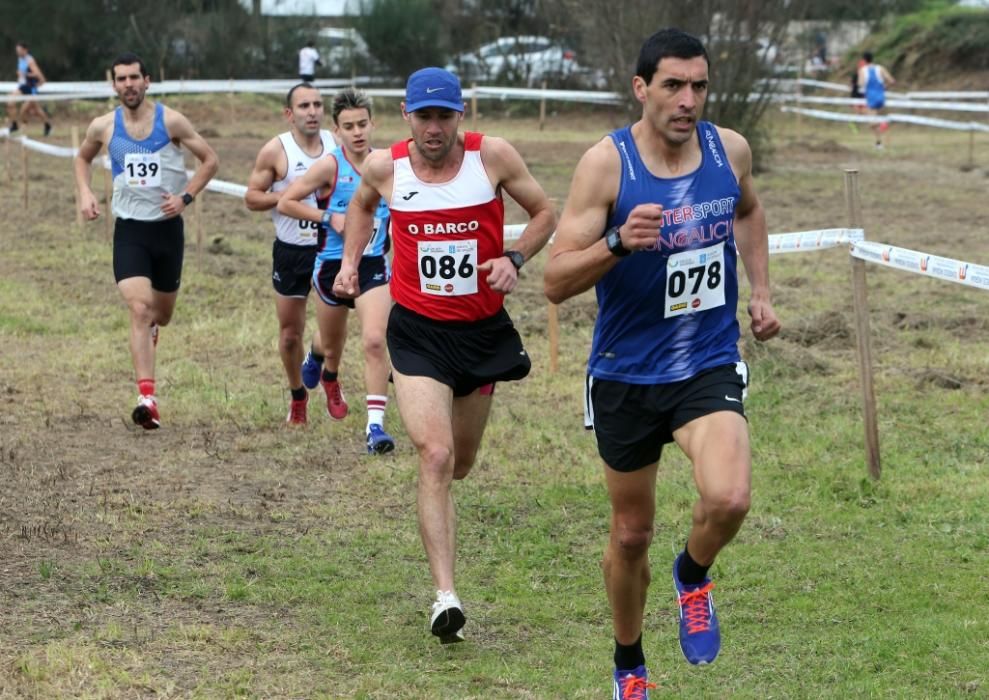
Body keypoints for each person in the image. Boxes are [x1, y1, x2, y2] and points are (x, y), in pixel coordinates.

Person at [543, 28, 780, 698]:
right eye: (672, 85)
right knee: (628, 534)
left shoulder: (726, 148)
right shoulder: (606, 165)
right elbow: (555, 282)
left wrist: (760, 292)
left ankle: (692, 573)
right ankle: (629, 664)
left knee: (729, 496)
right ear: (640, 87)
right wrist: (617, 242)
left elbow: (750, 212)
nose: (687, 100)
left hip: (705, 360)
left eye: (698, 86)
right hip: (625, 372)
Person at [332, 67, 555, 643]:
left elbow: (545, 213)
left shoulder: (494, 158)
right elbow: (359, 207)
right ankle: (445, 597)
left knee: (460, 462)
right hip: (418, 333)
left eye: (445, 116)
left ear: (461, 116)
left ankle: (443, 545)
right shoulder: (386, 166)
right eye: (424, 116)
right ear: (407, 115)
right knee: (434, 455)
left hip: (481, 333)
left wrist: (516, 258)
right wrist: (352, 263)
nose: (434, 128)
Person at [74, 52, 219, 430]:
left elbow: (210, 160)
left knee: (162, 315)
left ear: (147, 80)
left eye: (134, 78)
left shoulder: (170, 120)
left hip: (167, 229)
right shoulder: (104, 126)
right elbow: (82, 158)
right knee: (139, 309)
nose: (128, 85)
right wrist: (85, 193)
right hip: (130, 230)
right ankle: (147, 398)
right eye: (121, 79)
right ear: (113, 85)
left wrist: (185, 197)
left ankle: (154, 329)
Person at [277, 88, 396, 451]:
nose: (357, 132)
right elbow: (286, 201)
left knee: (375, 339)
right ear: (337, 130)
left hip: (372, 264)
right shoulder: (330, 165)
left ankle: (375, 428)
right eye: (349, 126)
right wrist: (330, 216)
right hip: (329, 267)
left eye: (363, 124)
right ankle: (319, 358)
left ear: (373, 124)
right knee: (331, 344)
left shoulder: (389, 163)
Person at [245, 83, 335, 425]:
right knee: (288, 334)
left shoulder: (336, 144)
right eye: (304, 106)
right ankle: (298, 395)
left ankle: (315, 358)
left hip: (330, 248)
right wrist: (290, 198)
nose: (312, 111)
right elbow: (252, 198)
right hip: (291, 251)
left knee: (333, 329)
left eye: (317, 105)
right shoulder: (275, 150)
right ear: (289, 114)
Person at [7, 41, 52, 136]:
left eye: (19, 50)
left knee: (30, 110)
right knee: (10, 102)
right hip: (23, 87)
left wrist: (25, 74)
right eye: (17, 51)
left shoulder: (30, 61)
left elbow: (39, 76)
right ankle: (15, 125)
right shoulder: (20, 59)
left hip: (31, 89)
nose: (18, 52)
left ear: (25, 50)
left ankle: (47, 125)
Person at [858, 52, 895, 149]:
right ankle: (882, 135)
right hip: (881, 97)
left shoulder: (863, 70)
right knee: (879, 119)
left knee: (872, 122)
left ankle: (879, 143)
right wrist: (884, 88)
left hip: (871, 98)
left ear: (864, 60)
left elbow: (861, 84)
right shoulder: (880, 68)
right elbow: (892, 81)